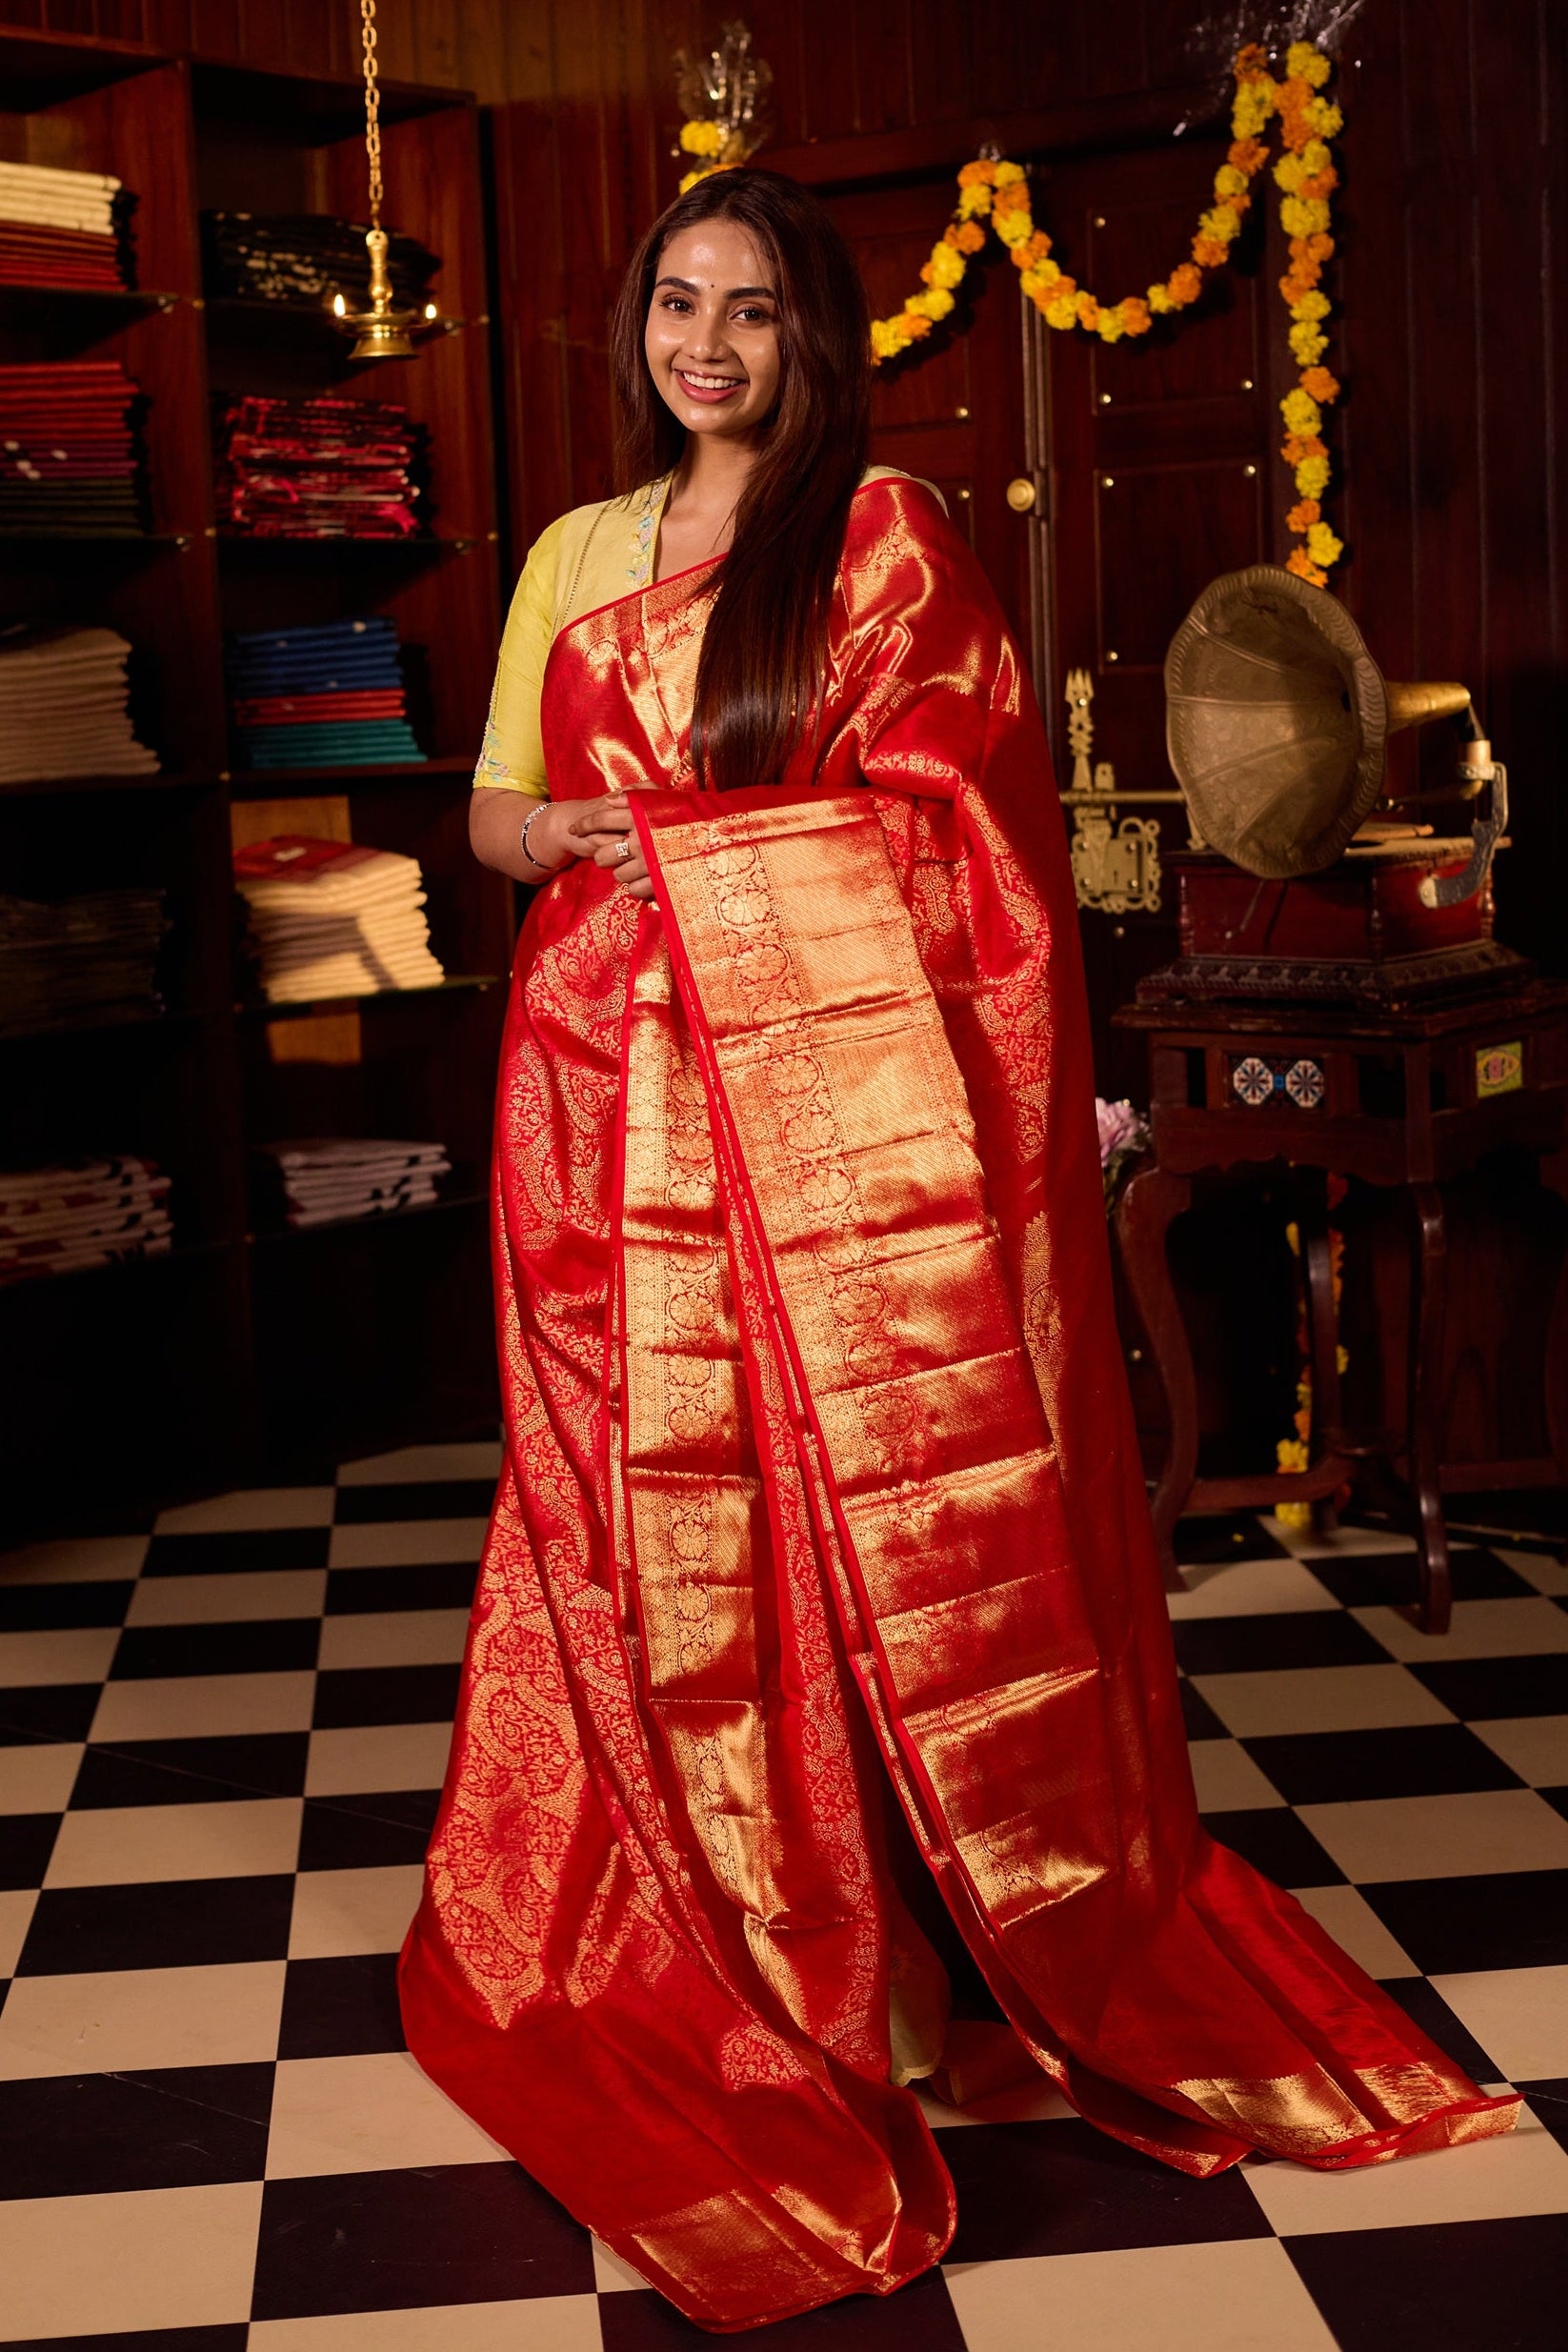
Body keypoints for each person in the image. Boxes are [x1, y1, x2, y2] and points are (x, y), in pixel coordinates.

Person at [399, 167, 1517, 2332]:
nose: (705, 344)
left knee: (843, 1527)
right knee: (641, 1532)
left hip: (816, 1139)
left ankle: (892, 1961)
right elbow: (495, 814)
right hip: (605, 1107)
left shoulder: (883, 536)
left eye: (750, 311)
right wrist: (573, 841)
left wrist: (710, 864)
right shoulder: (571, 556)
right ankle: (703, 1936)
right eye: (675, 304)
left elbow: (951, 826)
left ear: (813, 338)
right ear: (638, 322)